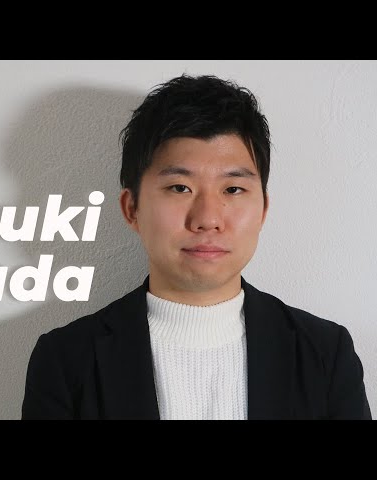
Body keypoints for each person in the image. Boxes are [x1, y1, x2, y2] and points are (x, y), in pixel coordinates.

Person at [21, 74, 372, 420]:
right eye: (180, 188)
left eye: (233, 189)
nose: (207, 219)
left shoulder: (326, 354)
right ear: (132, 209)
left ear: (263, 209)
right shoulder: (65, 361)